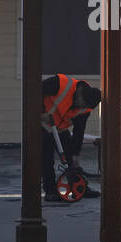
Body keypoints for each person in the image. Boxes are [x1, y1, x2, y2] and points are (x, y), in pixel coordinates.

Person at [41, 74, 103, 203]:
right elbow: (34, 92)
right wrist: (40, 112)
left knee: (71, 159)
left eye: (84, 106)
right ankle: (50, 191)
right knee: (46, 159)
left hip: (59, 128)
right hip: (41, 124)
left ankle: (79, 187)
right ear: (80, 92)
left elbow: (78, 132)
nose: (81, 107)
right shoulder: (60, 84)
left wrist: (75, 154)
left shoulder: (85, 109)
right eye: (82, 103)